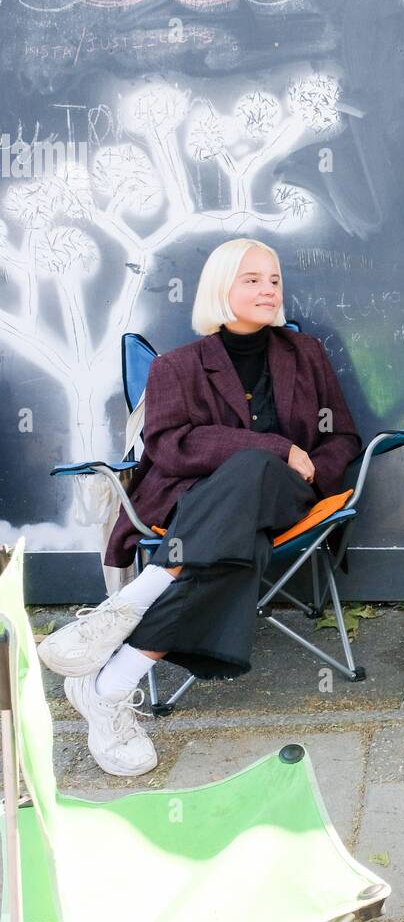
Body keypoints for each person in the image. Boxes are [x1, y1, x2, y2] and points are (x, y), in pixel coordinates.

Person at [40, 238, 361, 778]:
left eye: (274, 279)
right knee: (244, 518)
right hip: (201, 507)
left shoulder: (305, 355)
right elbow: (166, 447)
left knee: (258, 471)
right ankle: (111, 688)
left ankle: (124, 609)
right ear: (221, 289)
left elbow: (343, 437)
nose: (268, 289)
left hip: (288, 500)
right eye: (251, 279)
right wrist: (275, 446)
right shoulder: (177, 366)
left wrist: (306, 466)